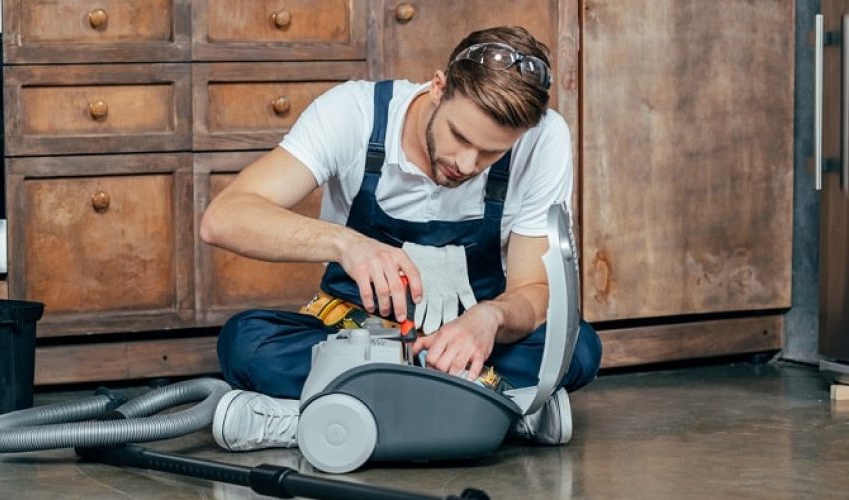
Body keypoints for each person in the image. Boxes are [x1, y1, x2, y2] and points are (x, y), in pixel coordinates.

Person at [199, 26, 603, 452]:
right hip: (357, 342)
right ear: (438, 87)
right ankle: (500, 408)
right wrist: (346, 244)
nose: (467, 163)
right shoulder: (354, 113)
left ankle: (310, 420)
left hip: (472, 348)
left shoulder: (544, 138)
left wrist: (492, 319)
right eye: (460, 137)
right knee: (246, 343)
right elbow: (224, 218)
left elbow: (533, 290)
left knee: (577, 347)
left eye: (492, 153)